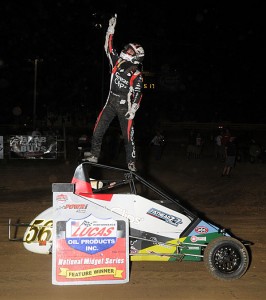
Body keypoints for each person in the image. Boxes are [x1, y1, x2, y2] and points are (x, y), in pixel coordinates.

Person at [84, 14, 144, 172]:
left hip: (126, 108)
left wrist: (134, 109)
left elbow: (139, 92)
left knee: (128, 137)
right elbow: (108, 47)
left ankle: (131, 163)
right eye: (127, 49)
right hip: (110, 102)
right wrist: (110, 29)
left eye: (131, 51)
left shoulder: (137, 73)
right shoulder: (117, 62)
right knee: (98, 130)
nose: (126, 51)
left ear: (137, 57)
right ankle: (94, 154)